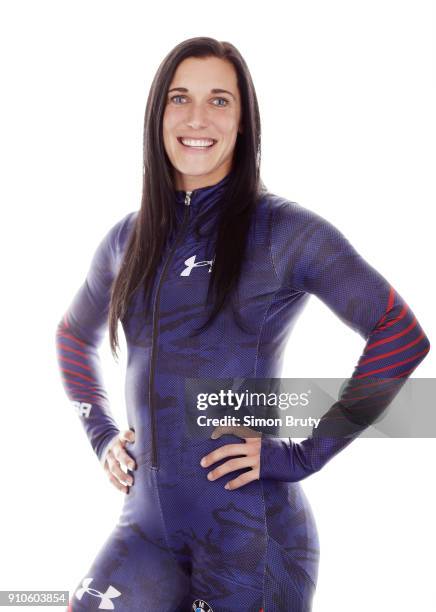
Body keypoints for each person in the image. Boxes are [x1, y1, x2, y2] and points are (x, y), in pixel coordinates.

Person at [55, 37, 430, 612]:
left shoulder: (284, 232)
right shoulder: (127, 240)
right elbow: (72, 336)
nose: (197, 118)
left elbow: (400, 335)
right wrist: (102, 435)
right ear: (158, 115)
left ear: (244, 121)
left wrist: (304, 454)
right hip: (148, 530)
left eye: (219, 100)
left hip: (248, 541)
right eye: (180, 98)